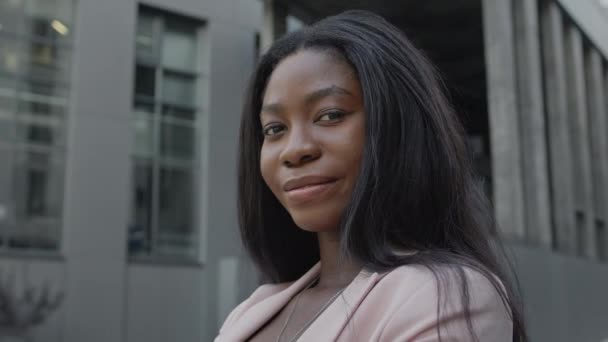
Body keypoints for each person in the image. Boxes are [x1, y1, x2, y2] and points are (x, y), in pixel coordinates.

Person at [215, 10, 527, 342]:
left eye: (330, 115)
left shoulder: (447, 297)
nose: (294, 150)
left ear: (398, 127)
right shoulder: (252, 309)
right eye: (274, 129)